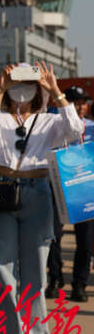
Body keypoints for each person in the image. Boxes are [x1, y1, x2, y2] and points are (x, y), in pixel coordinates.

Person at [0, 62, 83, 334]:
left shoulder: (49, 121)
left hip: (37, 192)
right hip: (0, 190)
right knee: (4, 273)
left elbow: (75, 129)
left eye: (28, 82)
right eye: (16, 82)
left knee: (36, 275)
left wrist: (55, 90)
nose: (21, 88)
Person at [62, 86, 94, 302]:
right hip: (62, 187)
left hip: (87, 190)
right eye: (74, 102)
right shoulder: (57, 127)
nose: (80, 107)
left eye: (83, 102)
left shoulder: (92, 127)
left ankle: (80, 284)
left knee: (86, 241)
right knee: (54, 237)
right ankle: (55, 278)